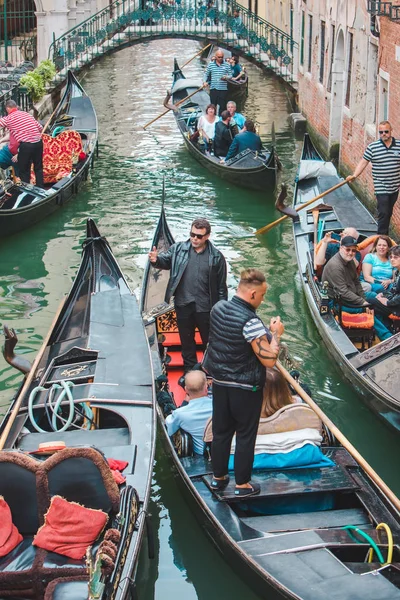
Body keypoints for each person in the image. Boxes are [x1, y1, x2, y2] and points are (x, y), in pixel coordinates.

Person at [203, 268, 284, 497]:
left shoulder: (217, 309)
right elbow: (268, 360)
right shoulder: (251, 322)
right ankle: (242, 485)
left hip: (220, 383)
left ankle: (218, 479)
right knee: (245, 435)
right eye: (262, 295)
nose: (262, 299)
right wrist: (275, 334)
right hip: (246, 388)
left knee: (221, 432)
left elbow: (230, 340)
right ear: (252, 294)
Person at [149, 218, 227, 373]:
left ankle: (208, 370)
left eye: (199, 236)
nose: (194, 239)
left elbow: (221, 289)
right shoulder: (178, 249)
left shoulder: (217, 257)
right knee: (186, 342)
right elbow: (165, 260)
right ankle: (190, 372)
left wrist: (222, 311)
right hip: (183, 305)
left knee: (210, 342)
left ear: (207, 236)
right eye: (192, 234)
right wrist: (155, 260)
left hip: (206, 308)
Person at [322, 236, 392, 341]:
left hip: (349, 295)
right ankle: (387, 337)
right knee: (365, 308)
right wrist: (363, 303)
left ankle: (385, 328)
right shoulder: (335, 266)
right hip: (337, 302)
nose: (350, 253)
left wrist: (364, 299)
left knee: (374, 298)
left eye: (353, 250)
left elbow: (356, 282)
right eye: (348, 249)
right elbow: (343, 292)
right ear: (341, 248)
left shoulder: (349, 261)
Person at [350, 121, 400, 235]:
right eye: (381, 132)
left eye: (386, 132)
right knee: (383, 212)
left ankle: (383, 236)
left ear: (391, 130)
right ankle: (381, 238)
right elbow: (363, 162)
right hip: (381, 186)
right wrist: (354, 175)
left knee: (388, 212)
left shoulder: (399, 145)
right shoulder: (373, 147)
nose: (383, 134)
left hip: (394, 187)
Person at [165, 370, 212, 455]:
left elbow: (169, 429)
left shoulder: (179, 414)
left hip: (200, 456)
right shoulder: (221, 407)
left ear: (186, 389)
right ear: (206, 387)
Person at [0, 100, 43, 188]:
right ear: (16, 106)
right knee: (38, 168)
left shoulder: (9, 118)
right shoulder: (27, 114)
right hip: (38, 143)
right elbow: (40, 128)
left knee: (24, 170)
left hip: (26, 146)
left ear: (8, 108)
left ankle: (25, 192)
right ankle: (40, 189)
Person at [204, 48, 232, 114]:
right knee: (213, 106)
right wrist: (204, 81)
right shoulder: (211, 65)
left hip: (223, 89)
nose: (220, 58)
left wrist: (226, 77)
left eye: (222, 57)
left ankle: (221, 120)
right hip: (213, 88)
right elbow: (206, 74)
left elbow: (230, 75)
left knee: (222, 107)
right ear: (216, 56)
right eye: (219, 57)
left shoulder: (227, 65)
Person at [375, 245, 400, 317]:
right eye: (391, 257)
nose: (392, 259)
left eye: (395, 257)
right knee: (374, 301)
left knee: (371, 303)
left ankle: (385, 328)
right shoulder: (397, 272)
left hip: (397, 307)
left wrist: (388, 302)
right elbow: (394, 290)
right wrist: (383, 294)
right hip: (395, 303)